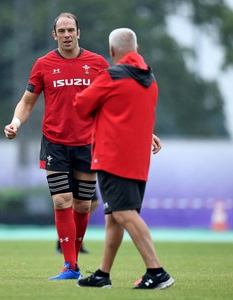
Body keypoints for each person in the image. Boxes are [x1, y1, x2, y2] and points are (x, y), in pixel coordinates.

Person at [4, 12, 109, 280]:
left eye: (70, 30)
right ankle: (70, 266)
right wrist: (15, 122)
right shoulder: (43, 64)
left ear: (78, 32)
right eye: (61, 30)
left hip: (88, 143)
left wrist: (145, 131)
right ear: (54, 35)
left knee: (83, 206)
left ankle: (72, 260)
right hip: (55, 143)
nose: (66, 34)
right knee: (62, 201)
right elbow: (27, 102)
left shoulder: (97, 63)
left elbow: (117, 102)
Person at [73, 28, 175, 289]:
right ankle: (102, 274)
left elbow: (81, 106)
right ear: (136, 49)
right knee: (114, 217)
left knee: (124, 213)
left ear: (111, 52)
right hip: (138, 161)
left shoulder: (110, 77)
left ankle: (157, 271)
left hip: (112, 157)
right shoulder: (150, 80)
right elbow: (131, 113)